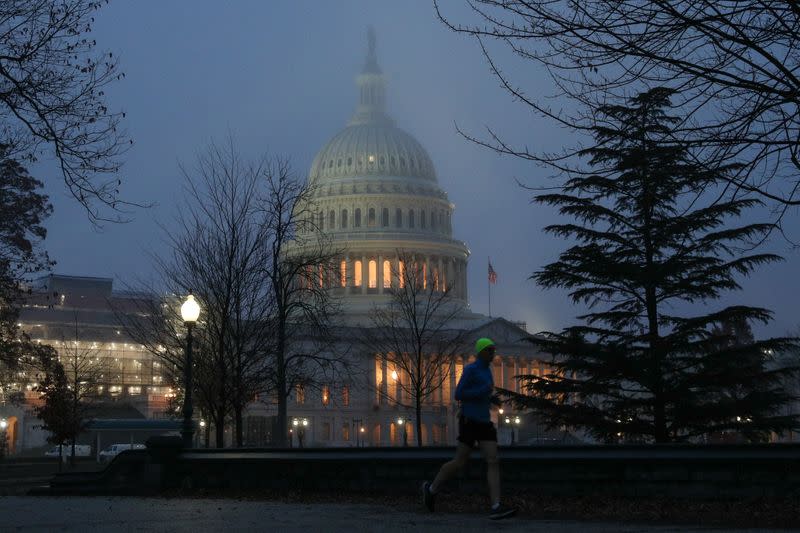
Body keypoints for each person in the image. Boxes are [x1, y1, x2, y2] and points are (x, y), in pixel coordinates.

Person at [421, 337, 517, 520]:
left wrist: (491, 399)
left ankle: (496, 506)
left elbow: (484, 392)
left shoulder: (488, 371)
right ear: (481, 352)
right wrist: (482, 393)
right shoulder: (470, 370)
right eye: (489, 350)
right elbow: (459, 393)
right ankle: (431, 489)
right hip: (469, 421)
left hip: (484, 422)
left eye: (493, 350)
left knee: (493, 459)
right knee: (459, 461)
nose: (493, 353)